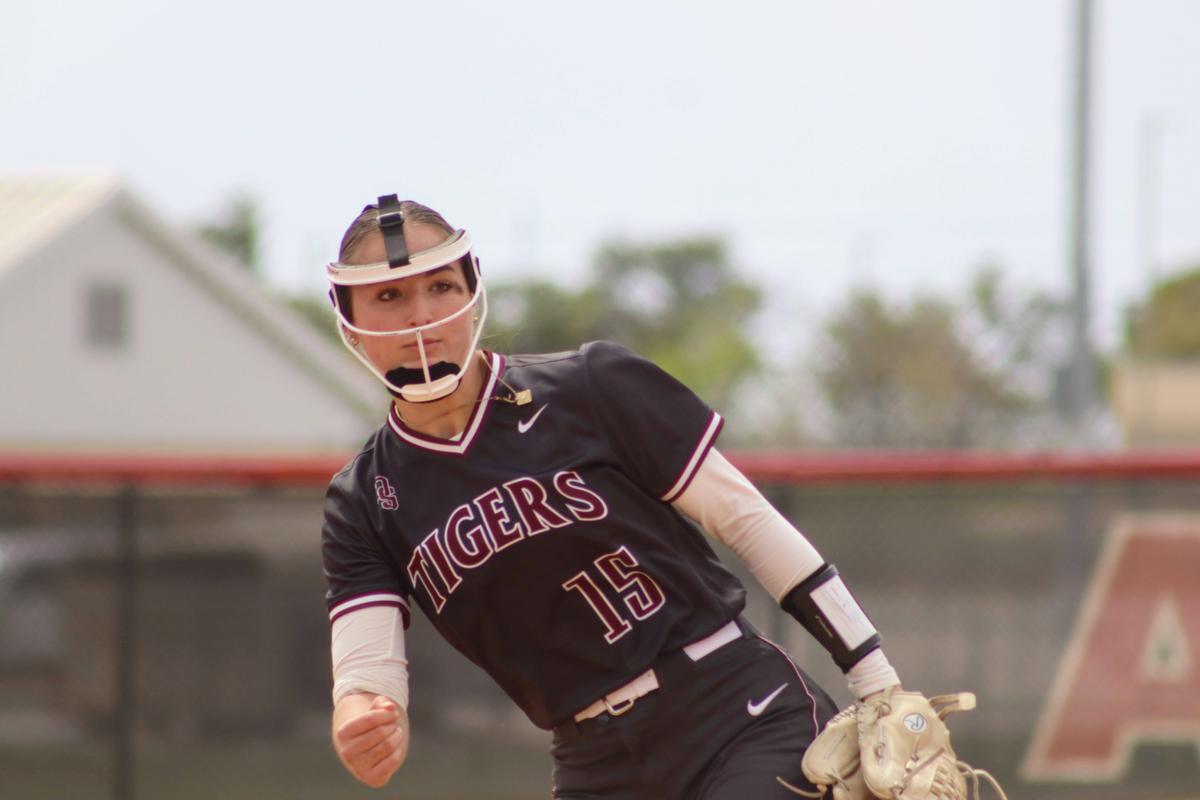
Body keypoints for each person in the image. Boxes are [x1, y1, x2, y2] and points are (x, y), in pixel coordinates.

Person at [321, 195, 903, 799]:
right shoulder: (363, 501)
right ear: (349, 319)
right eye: (388, 296)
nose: (420, 314)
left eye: (439, 286)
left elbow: (748, 521)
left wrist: (878, 681)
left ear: (472, 291)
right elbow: (367, 678)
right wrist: (359, 724)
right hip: (595, 762)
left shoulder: (590, 388)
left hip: (735, 711)